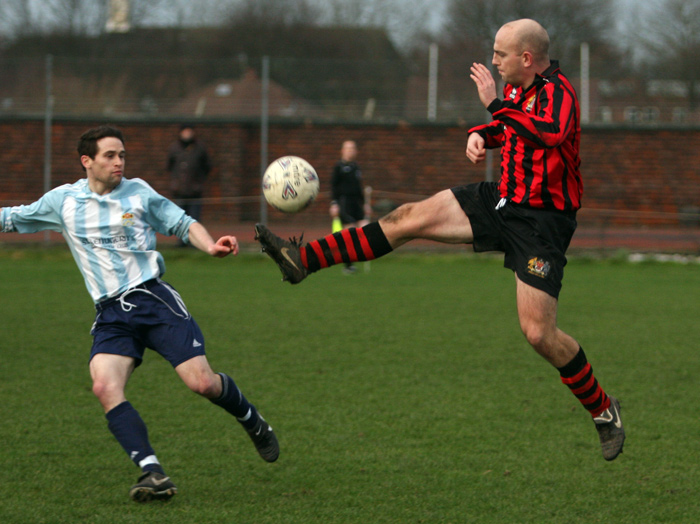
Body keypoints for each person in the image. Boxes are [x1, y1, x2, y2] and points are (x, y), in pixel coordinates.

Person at [254, 19, 625, 461]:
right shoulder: (517, 90)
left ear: (526, 58)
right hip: (501, 200)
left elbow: (548, 134)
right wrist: (481, 134)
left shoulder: (560, 93)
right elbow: (509, 129)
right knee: (407, 217)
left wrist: (493, 107)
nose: (493, 61)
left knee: (538, 333)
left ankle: (603, 409)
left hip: (542, 223)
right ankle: (303, 259)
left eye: (500, 53)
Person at [1, 126, 278, 502]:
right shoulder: (63, 201)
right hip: (111, 313)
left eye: (122, 155)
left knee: (203, 384)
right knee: (104, 387)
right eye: (110, 156)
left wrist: (210, 245)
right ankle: (153, 473)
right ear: (87, 161)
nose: (119, 162)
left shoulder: (138, 193)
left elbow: (182, 222)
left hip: (152, 300)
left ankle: (252, 420)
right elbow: (13, 218)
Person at [329, 140, 371, 274]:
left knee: (366, 229)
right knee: (350, 233)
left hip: (356, 203)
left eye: (353, 148)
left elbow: (359, 187)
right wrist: (334, 204)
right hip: (344, 203)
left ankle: (360, 256)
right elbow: (333, 187)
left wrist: (364, 204)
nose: (350, 151)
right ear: (342, 151)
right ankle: (348, 265)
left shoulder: (356, 167)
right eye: (348, 148)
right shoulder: (338, 167)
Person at [167, 124, 211, 224]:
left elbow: (207, 166)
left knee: (194, 220)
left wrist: (199, 181)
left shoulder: (200, 148)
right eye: (185, 131)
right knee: (180, 221)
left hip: (195, 191)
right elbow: (169, 166)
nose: (187, 134)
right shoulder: (174, 148)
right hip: (179, 191)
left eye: (189, 131)